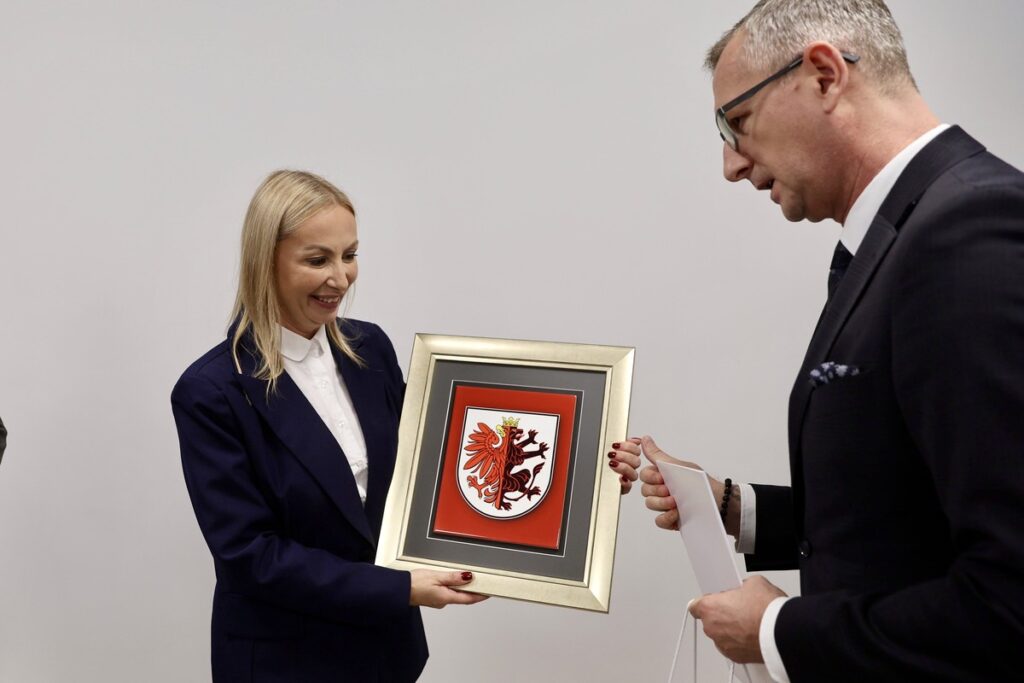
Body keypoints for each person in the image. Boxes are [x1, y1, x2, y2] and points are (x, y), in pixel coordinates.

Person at [637, 1, 1024, 681]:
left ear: (822, 76)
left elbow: (1009, 595)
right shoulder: (899, 238)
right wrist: (733, 506)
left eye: (736, 123)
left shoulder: (967, 234)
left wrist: (778, 627)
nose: (730, 163)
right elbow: (915, 512)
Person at [171, 170, 487, 682]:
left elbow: (433, 469)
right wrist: (400, 588)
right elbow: (253, 556)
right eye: (317, 259)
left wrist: (579, 473)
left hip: (387, 654)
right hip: (285, 662)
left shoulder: (372, 350)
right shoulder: (211, 392)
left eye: (350, 255)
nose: (340, 278)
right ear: (263, 262)